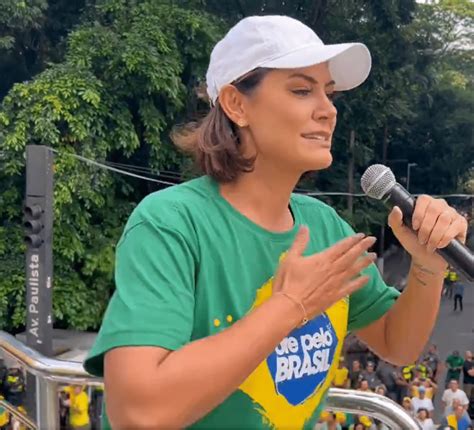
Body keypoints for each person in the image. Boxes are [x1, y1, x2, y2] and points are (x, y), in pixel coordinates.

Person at [83, 14, 469, 429]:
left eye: (330, 93)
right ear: (236, 104)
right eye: (302, 90)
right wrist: (287, 307)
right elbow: (137, 413)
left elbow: (398, 342)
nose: (328, 111)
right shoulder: (170, 224)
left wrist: (428, 265)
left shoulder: (323, 226)